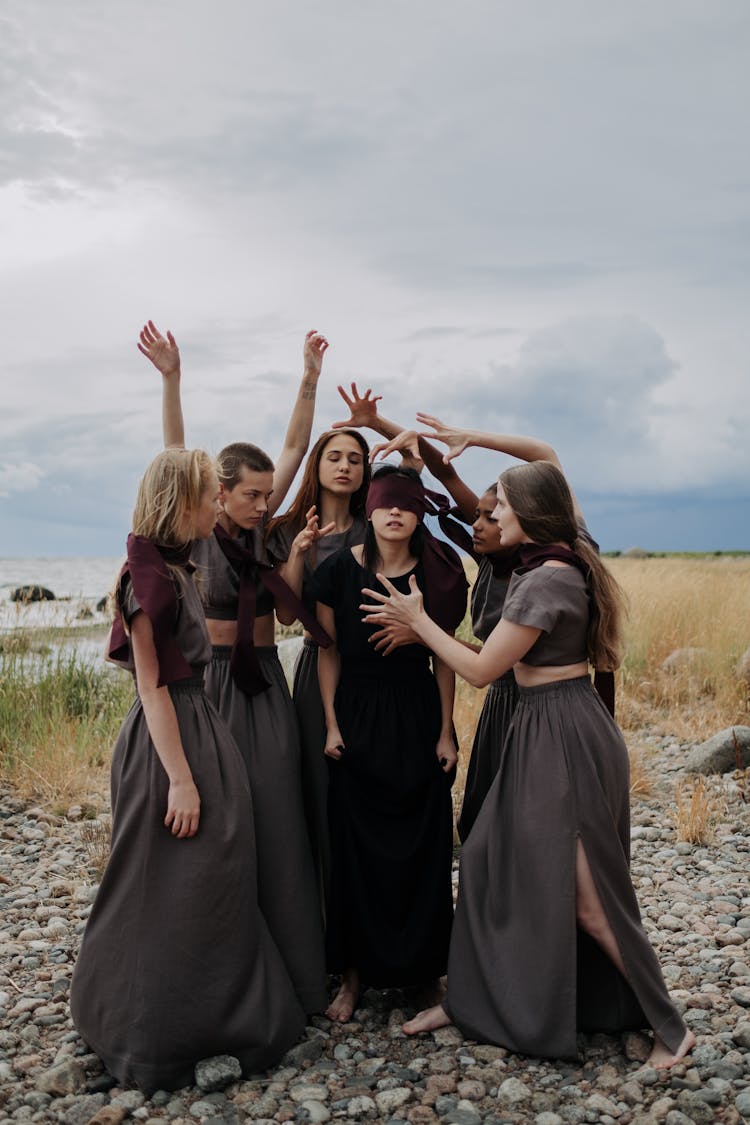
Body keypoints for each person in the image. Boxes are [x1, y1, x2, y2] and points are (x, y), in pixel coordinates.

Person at [361, 454, 695, 1068]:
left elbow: (485, 671)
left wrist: (418, 620)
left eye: (504, 506)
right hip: (545, 723)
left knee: (591, 898)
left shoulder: (548, 578)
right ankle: (469, 999)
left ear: (533, 515)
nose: (493, 514)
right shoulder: (546, 566)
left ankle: (670, 1028)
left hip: (560, 731)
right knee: (487, 856)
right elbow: (506, 658)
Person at [70, 448, 305, 1093]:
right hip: (169, 740)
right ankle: (148, 1025)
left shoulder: (175, 566)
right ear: (183, 504)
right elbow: (151, 689)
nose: (217, 506)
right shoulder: (149, 580)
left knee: (212, 873)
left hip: (198, 726)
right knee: (167, 877)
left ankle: (213, 1009)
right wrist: (179, 778)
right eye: (209, 496)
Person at [139, 321, 329, 1014]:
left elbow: (294, 444)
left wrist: (307, 378)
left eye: (266, 495)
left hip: (266, 678)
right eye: (251, 494)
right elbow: (174, 451)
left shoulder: (257, 530)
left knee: (277, 814)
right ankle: (220, 966)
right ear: (219, 491)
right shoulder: (193, 538)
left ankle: (295, 972)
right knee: (222, 819)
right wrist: (171, 380)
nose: (262, 504)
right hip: (211, 681)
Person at [314, 464, 468, 1022]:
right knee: (354, 847)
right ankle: (353, 979)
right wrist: (331, 724)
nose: (396, 512)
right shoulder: (336, 571)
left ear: (418, 511)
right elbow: (327, 651)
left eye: (407, 503)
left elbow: (446, 658)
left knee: (424, 845)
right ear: (370, 510)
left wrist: (447, 730)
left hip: (417, 711)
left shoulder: (435, 574)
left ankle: (426, 975)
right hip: (356, 712)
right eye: (386, 503)